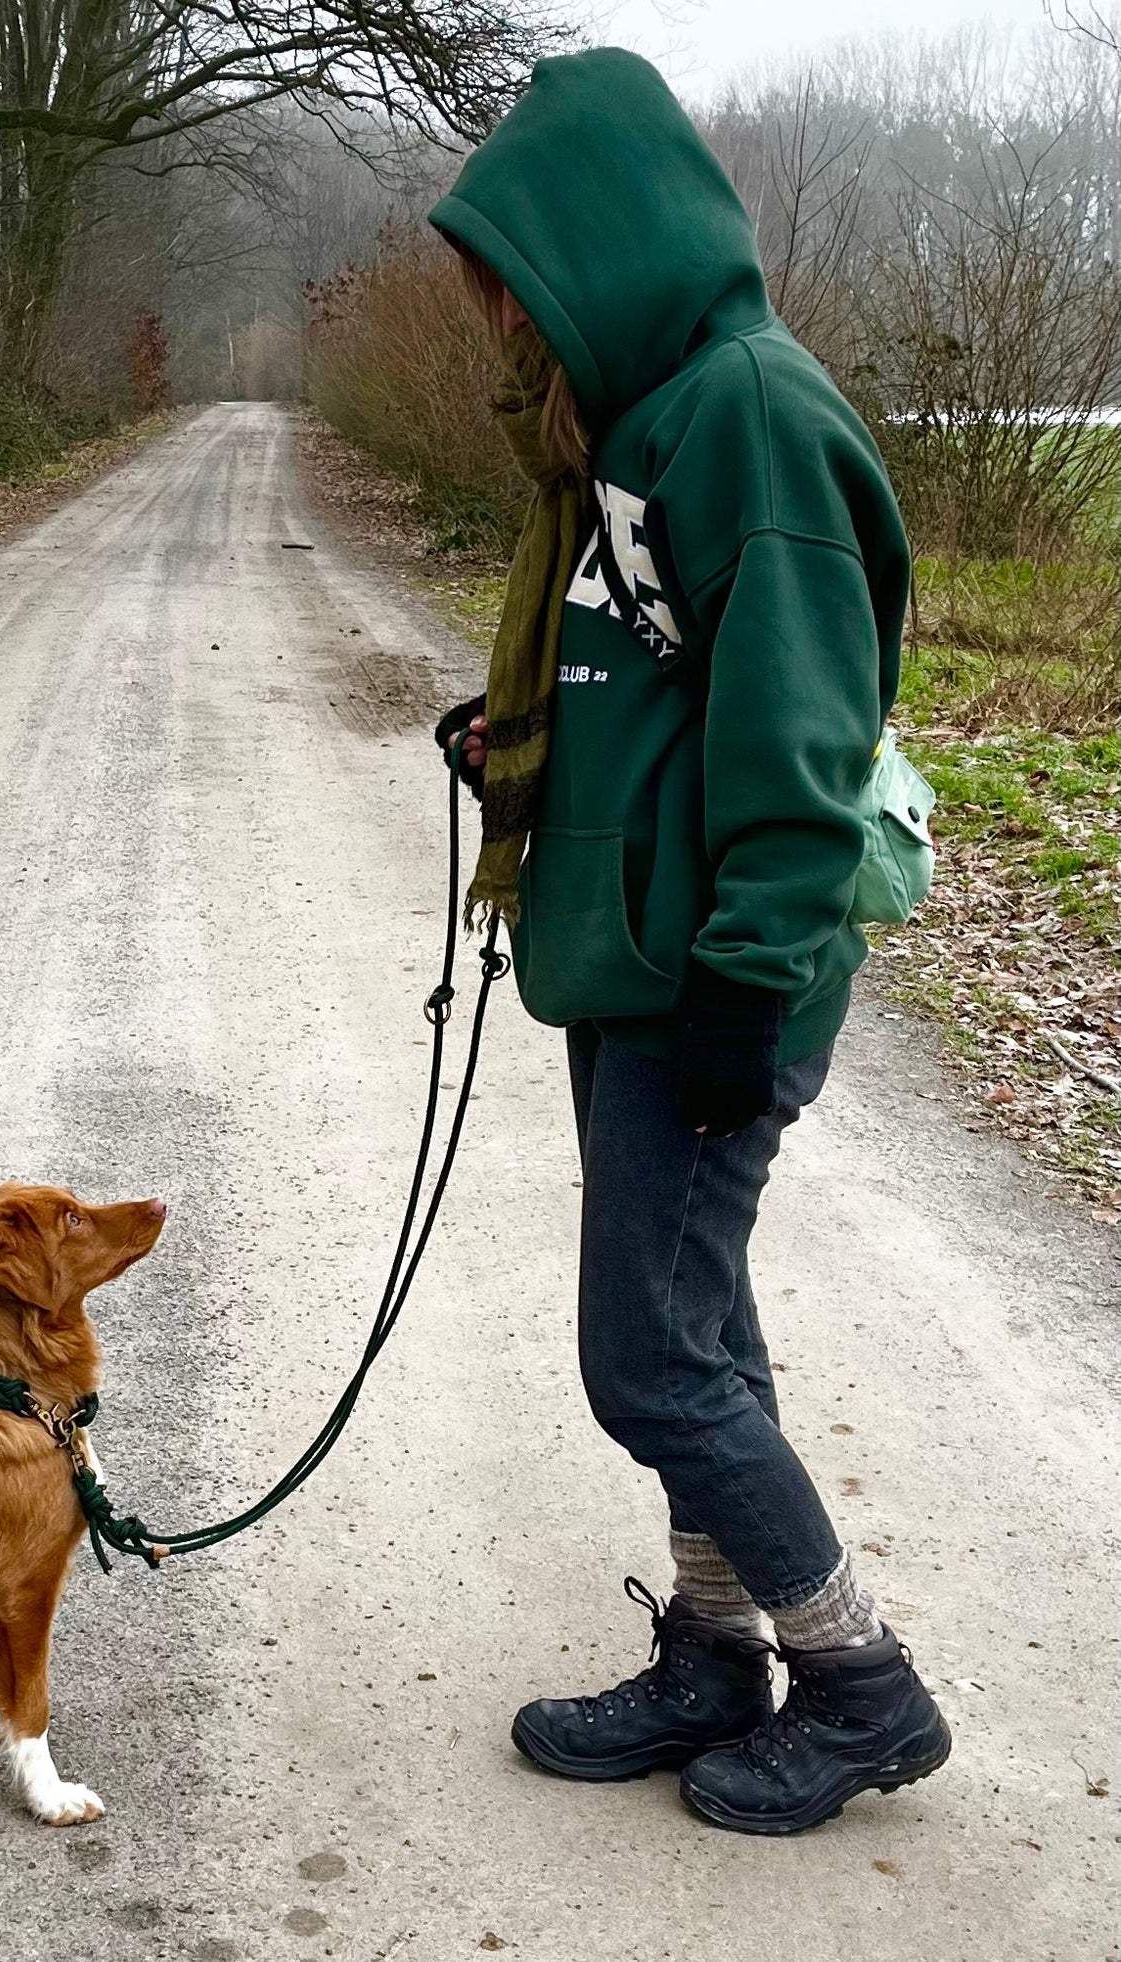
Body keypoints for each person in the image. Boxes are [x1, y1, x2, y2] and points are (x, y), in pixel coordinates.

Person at [428, 47, 950, 1836]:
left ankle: (862, 1680)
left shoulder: (746, 416)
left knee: (646, 1360)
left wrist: (742, 980)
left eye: (515, 282)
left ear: (599, 243)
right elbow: (664, 682)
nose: (504, 322)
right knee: (697, 1327)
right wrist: (523, 743)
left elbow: (799, 734)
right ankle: (717, 1657)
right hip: (639, 960)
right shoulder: (631, 427)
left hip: (706, 980)